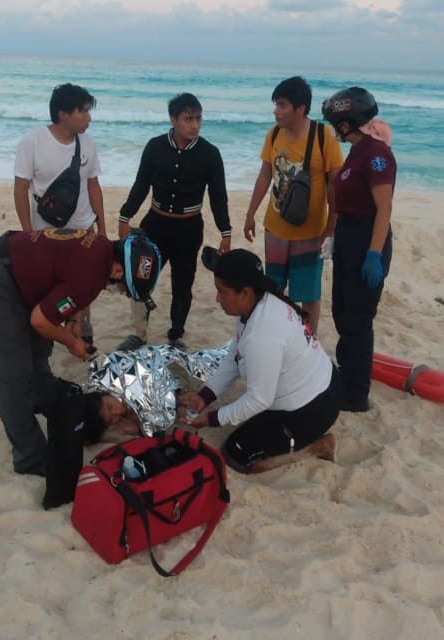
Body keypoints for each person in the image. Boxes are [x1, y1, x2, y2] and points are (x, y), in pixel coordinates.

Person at [0, 227, 161, 477]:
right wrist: (71, 342)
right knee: (13, 374)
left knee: (39, 350)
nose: (121, 292)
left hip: (19, 270)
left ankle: (39, 400)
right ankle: (30, 458)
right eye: (125, 289)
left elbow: (73, 288)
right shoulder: (90, 275)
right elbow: (40, 321)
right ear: (117, 272)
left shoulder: (102, 249)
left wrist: (73, 320)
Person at [178, 248, 340, 473]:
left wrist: (212, 419)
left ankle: (316, 447)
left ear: (244, 292)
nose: (217, 298)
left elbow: (259, 399)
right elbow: (236, 355)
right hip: (324, 382)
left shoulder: (262, 333)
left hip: (312, 408)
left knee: (235, 456)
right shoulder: (261, 301)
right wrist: (205, 396)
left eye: (222, 291)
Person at [117, 92, 232, 350]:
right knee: (140, 278)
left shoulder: (210, 154)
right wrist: (125, 217)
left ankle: (176, 335)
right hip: (154, 226)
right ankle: (139, 334)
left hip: (188, 230)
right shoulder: (155, 147)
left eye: (198, 119)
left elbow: (218, 197)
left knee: (183, 284)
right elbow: (140, 185)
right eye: (188, 119)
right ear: (173, 119)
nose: (195, 125)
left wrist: (225, 232)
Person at [243, 76, 343, 332]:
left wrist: (331, 226)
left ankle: (308, 340)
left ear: (301, 109)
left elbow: (335, 187)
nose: (276, 111)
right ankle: (278, 335)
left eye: (282, 105)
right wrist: (251, 213)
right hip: (275, 229)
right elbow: (265, 175)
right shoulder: (274, 134)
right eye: (276, 105)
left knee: (308, 292)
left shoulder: (323, 137)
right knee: (274, 288)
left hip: (311, 232)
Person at [322, 87, 396, 412]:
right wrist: (335, 235)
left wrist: (374, 254)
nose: (333, 130)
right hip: (348, 237)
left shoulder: (377, 154)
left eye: (335, 124)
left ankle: (356, 395)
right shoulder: (356, 151)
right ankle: (347, 374)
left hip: (367, 239)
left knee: (358, 319)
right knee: (342, 311)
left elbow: (384, 209)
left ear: (346, 123)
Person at [14, 83, 106, 343]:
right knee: (48, 285)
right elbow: (20, 189)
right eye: (83, 111)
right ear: (63, 114)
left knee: (84, 284)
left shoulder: (87, 143)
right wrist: (27, 233)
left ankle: (82, 333)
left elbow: (93, 185)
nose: (89, 118)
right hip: (47, 232)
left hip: (83, 227)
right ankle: (47, 332)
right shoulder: (32, 142)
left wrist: (101, 227)